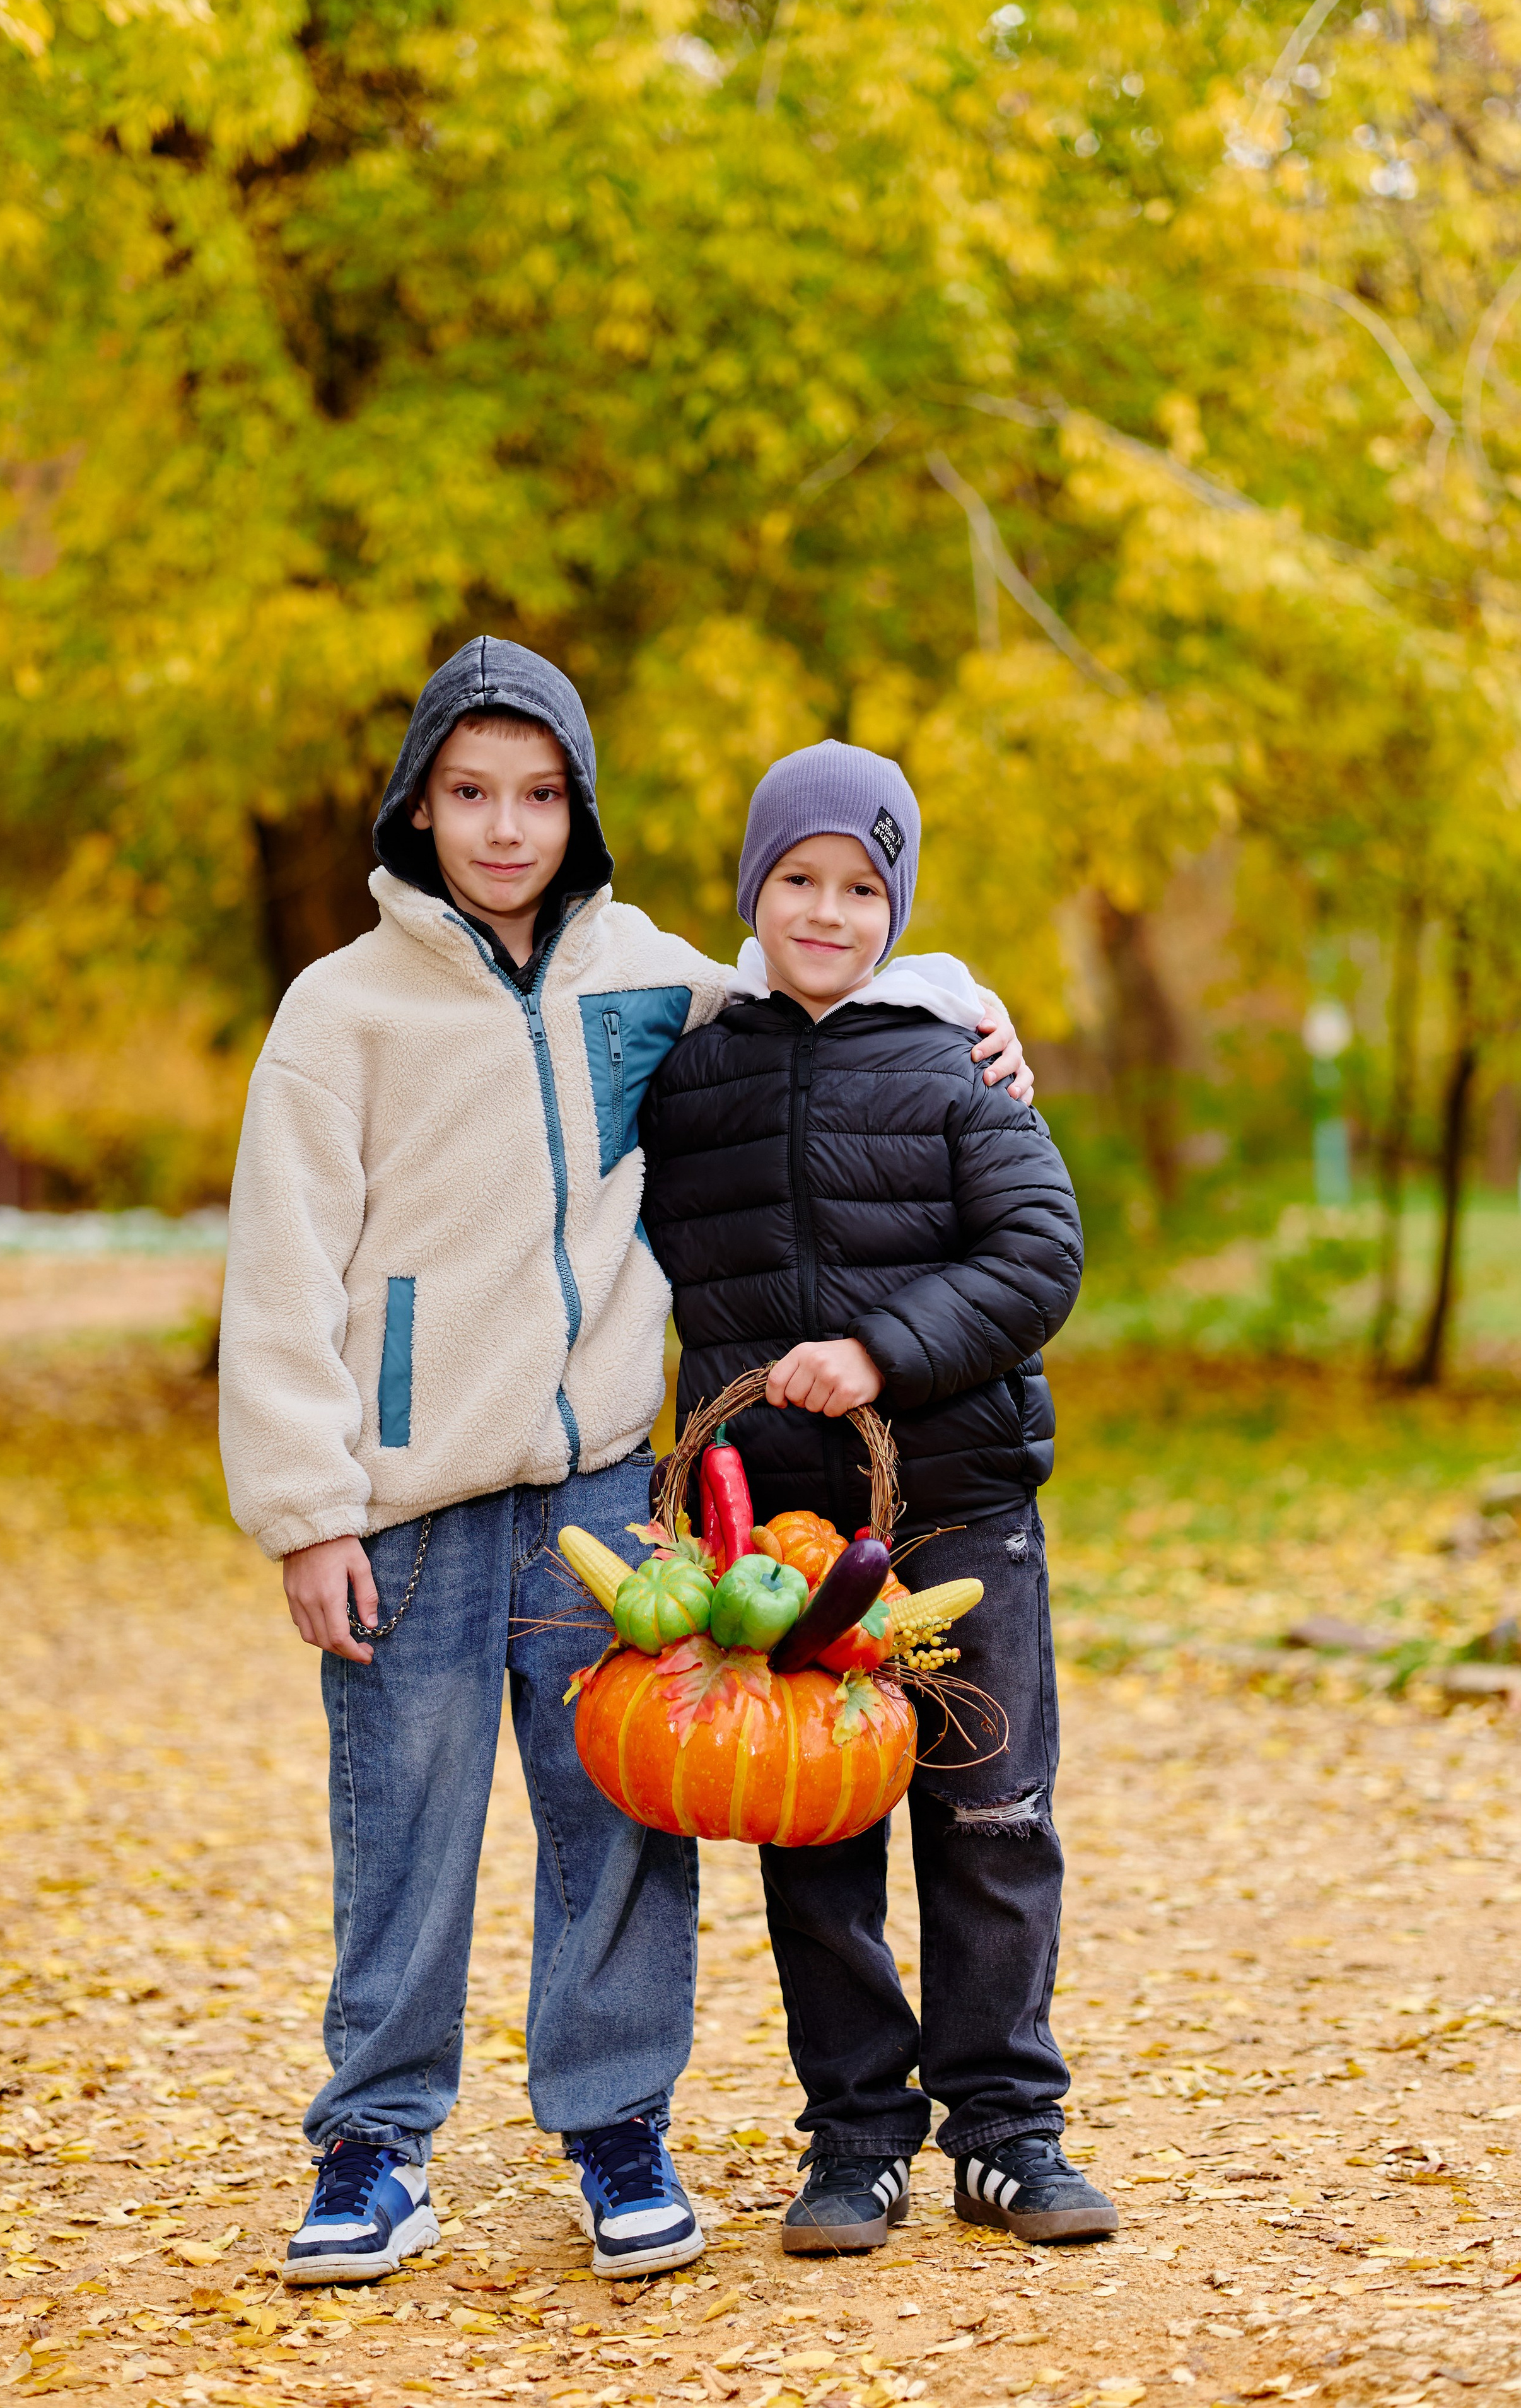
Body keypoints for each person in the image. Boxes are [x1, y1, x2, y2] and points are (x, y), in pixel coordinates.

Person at [217, 640, 1030, 2287]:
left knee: (619, 1825)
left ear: (578, 808)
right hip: (408, 1501)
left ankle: (615, 2127)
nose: (503, 828)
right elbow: (280, 1273)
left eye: (537, 795)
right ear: (418, 804)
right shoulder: (339, 1012)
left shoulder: (644, 972)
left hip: (599, 1492)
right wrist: (307, 1511)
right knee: (404, 1828)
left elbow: (814, 967)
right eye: (469, 793)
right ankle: (374, 2146)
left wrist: (959, 997)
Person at [639, 739, 1117, 2254]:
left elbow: (1038, 1254)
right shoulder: (689, 1071)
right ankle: (853, 2137)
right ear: (753, 888)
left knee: (989, 1817)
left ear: (895, 908)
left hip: (956, 1509)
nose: (827, 913)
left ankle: (1006, 2130)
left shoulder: (952, 1058)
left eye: (861, 888)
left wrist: (879, 1352)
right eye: (799, 879)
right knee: (813, 1834)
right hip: (775, 1541)